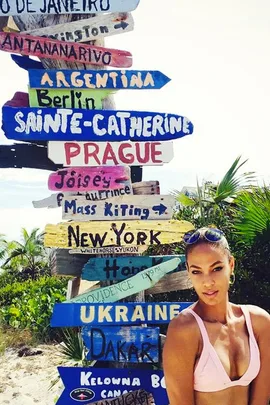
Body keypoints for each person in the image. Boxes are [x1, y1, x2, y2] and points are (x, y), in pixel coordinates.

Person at [163, 227, 270, 405]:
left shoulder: (259, 323)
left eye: (217, 268)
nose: (208, 282)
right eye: (197, 271)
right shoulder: (184, 329)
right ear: (188, 272)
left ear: (231, 265)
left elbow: (261, 399)